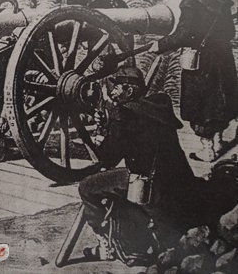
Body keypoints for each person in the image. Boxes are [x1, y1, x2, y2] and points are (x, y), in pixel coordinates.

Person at [78, 67, 228, 265]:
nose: (113, 92)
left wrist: (101, 130)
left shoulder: (123, 114)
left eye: (116, 87)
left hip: (149, 187)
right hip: (176, 182)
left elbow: (107, 158)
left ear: (129, 91)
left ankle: (107, 246)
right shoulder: (160, 104)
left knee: (87, 186)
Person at [149, 0, 237, 161]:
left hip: (202, 62)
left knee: (202, 105)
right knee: (219, 101)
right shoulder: (223, 1)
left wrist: (161, 44)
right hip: (223, 60)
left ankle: (207, 150)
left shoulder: (192, 3)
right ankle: (219, 142)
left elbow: (184, 34)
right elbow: (230, 32)